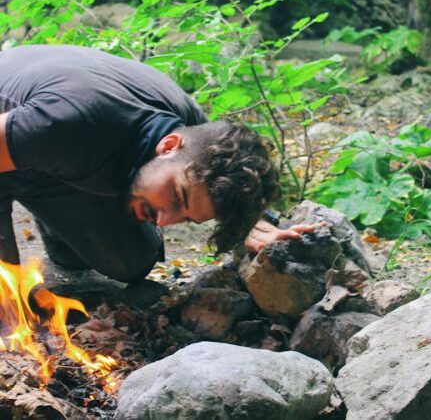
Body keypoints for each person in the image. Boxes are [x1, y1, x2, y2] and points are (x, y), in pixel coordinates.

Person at [0, 45, 312, 283]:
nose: (163, 221)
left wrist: (254, 224)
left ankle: (58, 231)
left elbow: (227, 178)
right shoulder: (67, 123)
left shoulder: (195, 141)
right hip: (21, 130)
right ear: (168, 146)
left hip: (47, 154)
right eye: (178, 197)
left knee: (129, 262)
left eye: (186, 218)